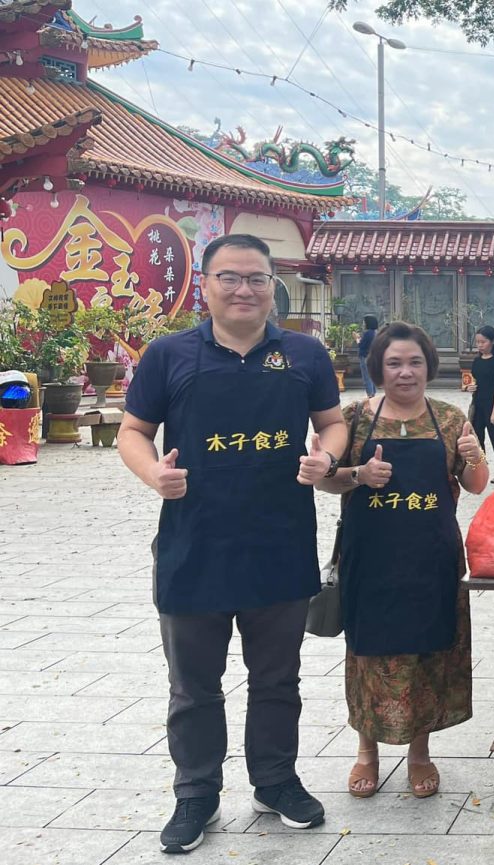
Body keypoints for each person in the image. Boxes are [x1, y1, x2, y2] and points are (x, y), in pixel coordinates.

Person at [118, 233, 342, 852]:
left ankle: (275, 781)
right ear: (206, 287)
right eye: (230, 277)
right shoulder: (169, 355)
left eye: (257, 278)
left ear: (275, 287)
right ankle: (196, 792)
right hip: (194, 545)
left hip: (280, 542)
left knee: (278, 678)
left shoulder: (303, 354)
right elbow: (132, 432)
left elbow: (332, 422)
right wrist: (153, 475)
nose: (244, 289)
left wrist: (327, 456)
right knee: (193, 683)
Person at [316, 322, 488, 800]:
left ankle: (419, 753)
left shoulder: (451, 420)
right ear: (378, 368)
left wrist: (475, 457)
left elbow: (476, 484)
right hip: (370, 559)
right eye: (394, 363)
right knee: (369, 652)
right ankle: (366, 752)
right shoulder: (351, 418)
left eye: (414, 362)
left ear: (429, 366)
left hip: (431, 559)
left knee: (427, 653)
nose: (405, 372)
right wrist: (358, 474)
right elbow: (324, 479)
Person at [465, 325, 494, 482]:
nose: (479, 345)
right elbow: (478, 381)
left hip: (493, 405)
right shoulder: (477, 362)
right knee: (477, 438)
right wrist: (472, 388)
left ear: (492, 341)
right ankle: (481, 467)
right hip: (478, 404)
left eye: (483, 342)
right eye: (477, 342)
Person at [358, 314, 379, 397]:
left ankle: (370, 395)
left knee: (367, 377)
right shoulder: (375, 333)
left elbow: (361, 345)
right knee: (371, 376)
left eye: (364, 322)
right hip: (372, 357)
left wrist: (357, 339)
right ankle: (373, 393)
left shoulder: (367, 333)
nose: (363, 324)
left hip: (365, 357)